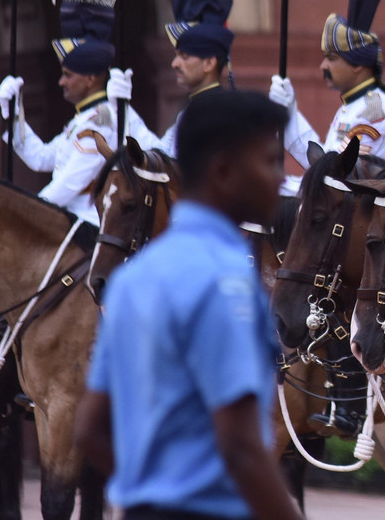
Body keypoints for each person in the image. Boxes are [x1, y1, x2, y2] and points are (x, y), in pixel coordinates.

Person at [74, 89, 304, 520]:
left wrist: (157, 488)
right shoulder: (224, 279)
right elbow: (240, 447)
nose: (282, 178)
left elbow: (90, 430)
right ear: (223, 170)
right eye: (271, 161)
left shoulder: (133, 280)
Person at [0, 0, 151, 226]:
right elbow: (42, 158)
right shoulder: (82, 120)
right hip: (70, 222)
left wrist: (25, 213)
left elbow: (69, 183)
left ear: (90, 78)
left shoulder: (103, 119)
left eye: (68, 75)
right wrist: (15, 114)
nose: (61, 82)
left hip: (89, 227)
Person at [271, 0, 385, 170]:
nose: (323, 66)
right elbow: (324, 161)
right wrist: (289, 113)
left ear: (358, 64)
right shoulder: (353, 105)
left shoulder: (374, 110)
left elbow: (337, 177)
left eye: (331, 58)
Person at [124, 0, 236, 156]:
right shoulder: (192, 112)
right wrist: (122, 109)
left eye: (184, 57)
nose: (175, 63)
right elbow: (161, 156)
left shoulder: (219, 114)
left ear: (209, 63)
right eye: (177, 56)